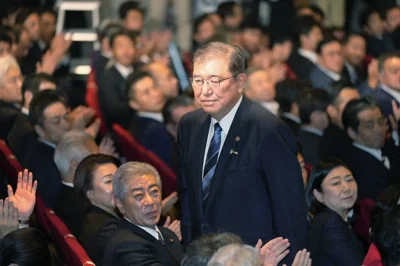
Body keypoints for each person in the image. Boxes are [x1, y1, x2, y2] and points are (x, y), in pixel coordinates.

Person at [178, 42, 307, 263]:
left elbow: (289, 210)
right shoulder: (189, 125)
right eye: (198, 80)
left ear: (240, 82)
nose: (205, 90)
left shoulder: (268, 129)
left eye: (215, 81)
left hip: (254, 256)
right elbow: (188, 193)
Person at [102, 162, 182, 266]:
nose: (150, 201)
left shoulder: (166, 233)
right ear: (120, 204)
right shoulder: (126, 247)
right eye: (139, 195)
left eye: (154, 192)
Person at [306, 159, 365, 265]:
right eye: (336, 183)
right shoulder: (329, 224)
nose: (347, 188)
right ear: (319, 195)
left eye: (349, 180)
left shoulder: (337, 220)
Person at [74, 154, 121, 265]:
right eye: (109, 181)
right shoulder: (107, 230)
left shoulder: (92, 216)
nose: (119, 186)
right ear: (89, 193)